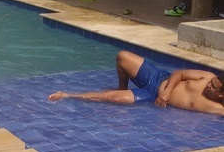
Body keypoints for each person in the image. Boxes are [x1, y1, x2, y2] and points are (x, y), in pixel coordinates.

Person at [48, 50, 224, 116]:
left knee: (112, 99)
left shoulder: (217, 108)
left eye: (213, 86)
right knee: (122, 56)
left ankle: (67, 94)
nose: (209, 84)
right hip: (158, 78)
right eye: (212, 81)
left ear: (221, 94)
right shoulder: (207, 76)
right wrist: (168, 92)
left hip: (150, 95)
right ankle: (122, 88)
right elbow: (180, 73)